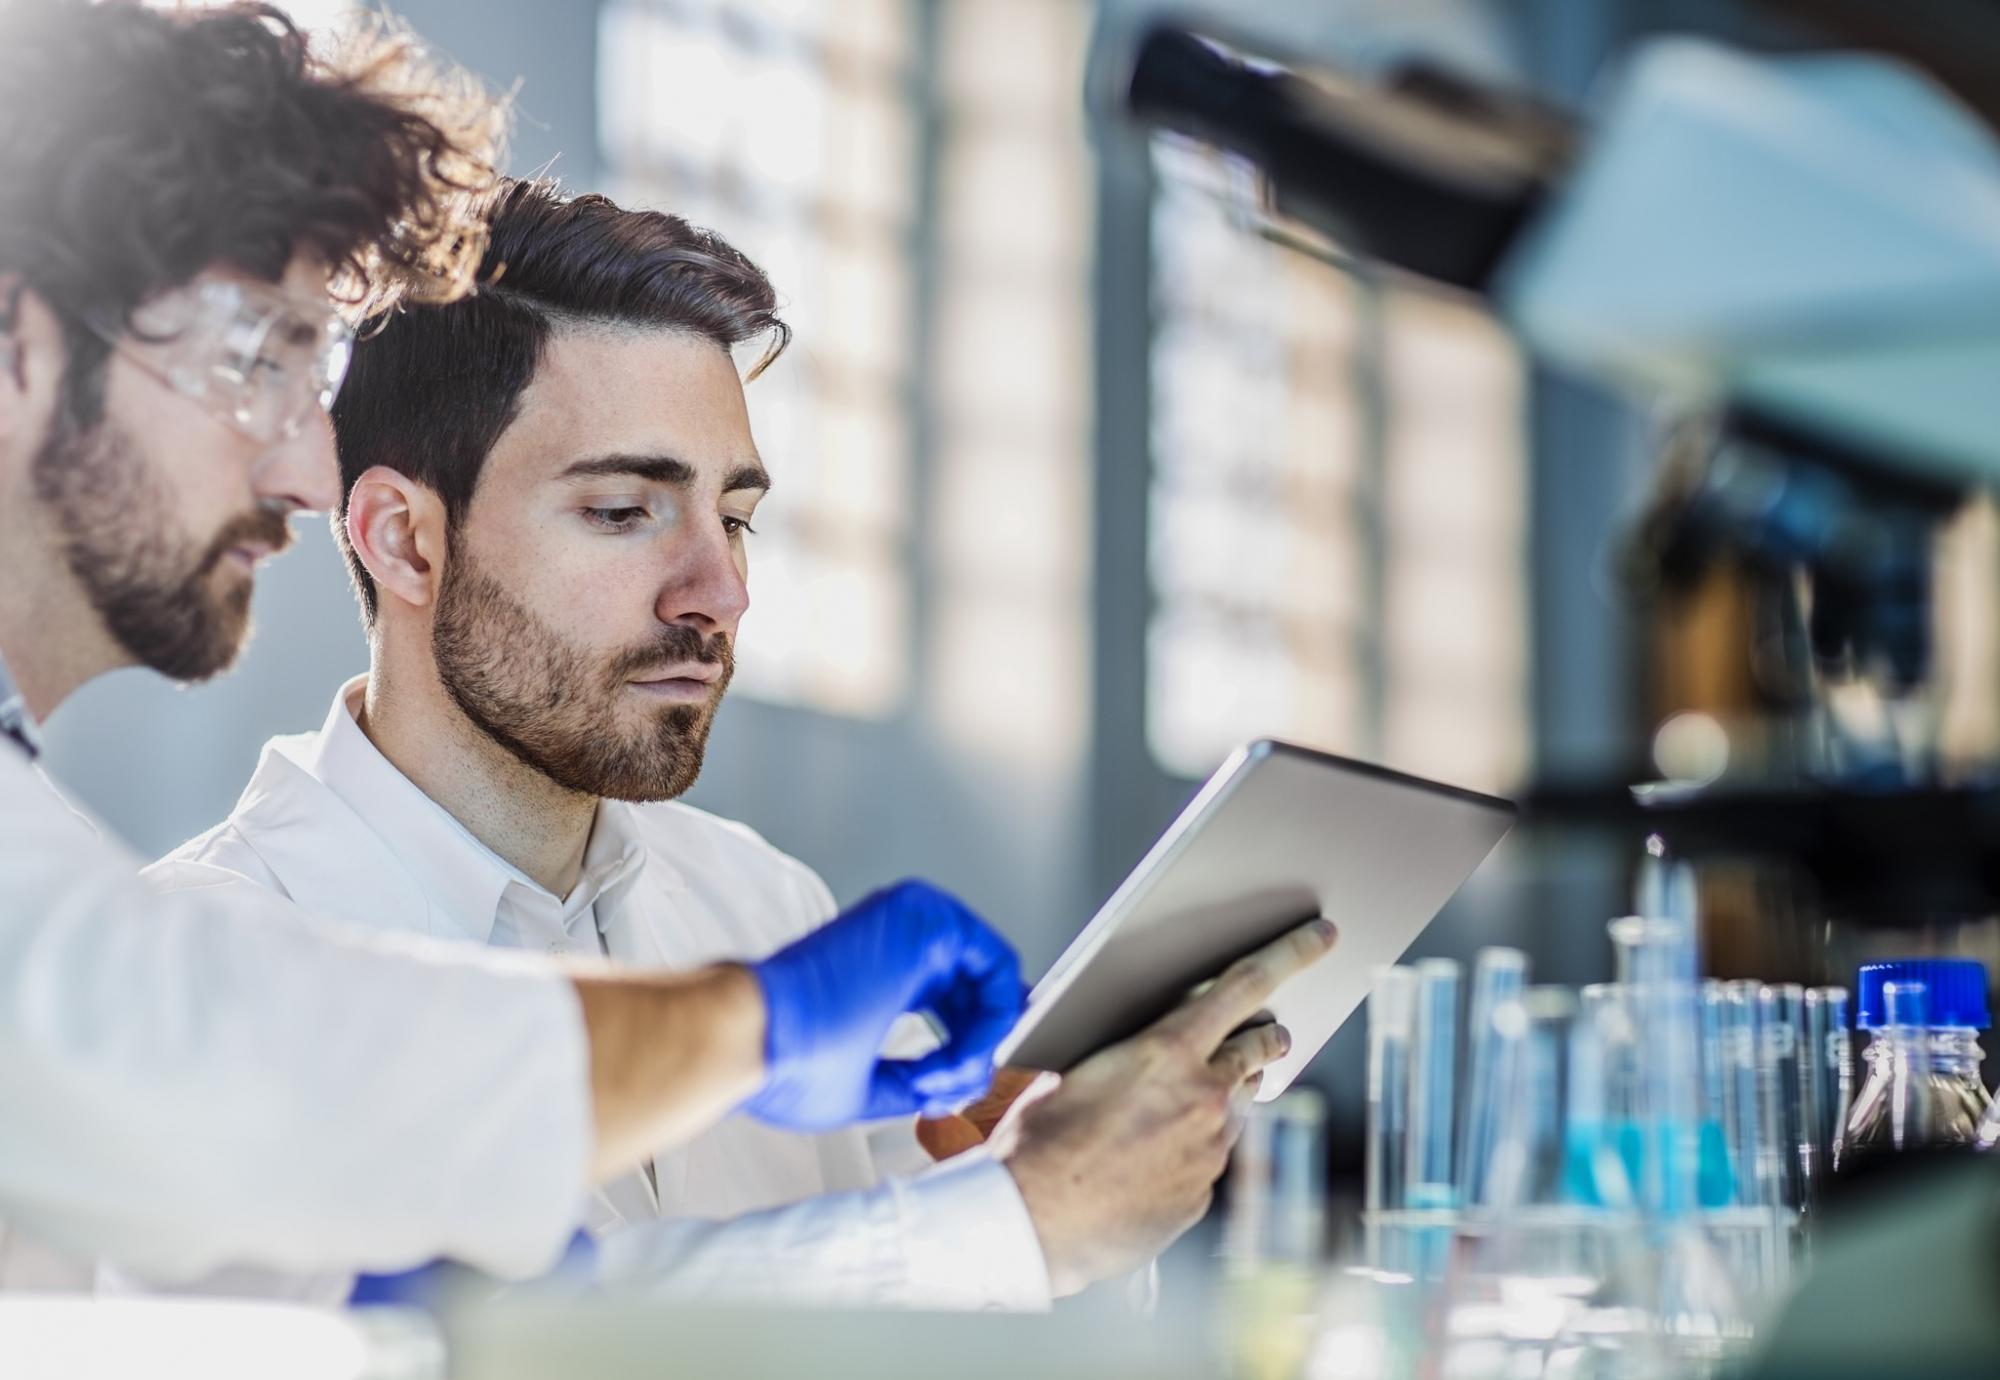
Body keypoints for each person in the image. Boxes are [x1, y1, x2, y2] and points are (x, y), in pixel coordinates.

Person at [141, 176, 1338, 1308]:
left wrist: (1048, 1185)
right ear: (403, 541)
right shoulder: (196, 971)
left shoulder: (764, 905)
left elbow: (915, 1339)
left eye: (735, 517)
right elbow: (404, 1350)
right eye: (623, 512)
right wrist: (1010, 1227)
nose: (718, 592)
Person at [0, 0, 1026, 1289]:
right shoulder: (193, 935)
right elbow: (221, 1058)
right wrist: (765, 1038)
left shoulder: (762, 905)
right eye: (251, 361)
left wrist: (1005, 1190)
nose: (305, 462)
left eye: (737, 516)